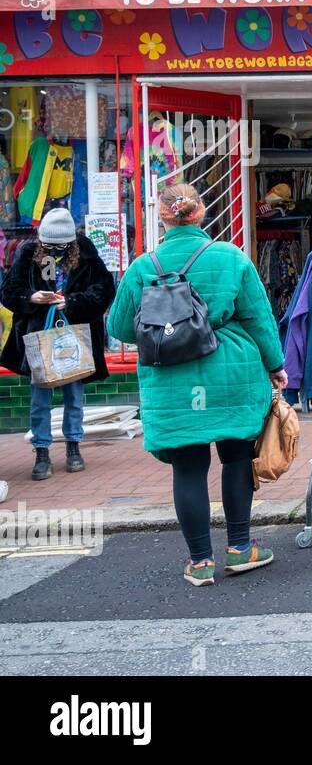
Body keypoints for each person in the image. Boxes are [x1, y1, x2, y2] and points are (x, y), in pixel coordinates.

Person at [107, 184, 287, 588]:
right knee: (237, 457)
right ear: (201, 212)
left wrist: (167, 329)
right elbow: (259, 318)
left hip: (171, 377)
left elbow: (119, 327)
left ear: (162, 215)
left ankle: (200, 561)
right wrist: (275, 366)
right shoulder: (231, 257)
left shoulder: (142, 267)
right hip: (232, 373)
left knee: (189, 469)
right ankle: (241, 549)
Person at [1, 208, 116, 481]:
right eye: (49, 245)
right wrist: (32, 297)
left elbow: (104, 290)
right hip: (40, 336)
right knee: (40, 399)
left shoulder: (85, 253)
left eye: (60, 245)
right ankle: (42, 451)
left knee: (73, 396)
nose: (54, 249)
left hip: (74, 334)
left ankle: (74, 448)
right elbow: (8, 292)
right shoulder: (28, 254)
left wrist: (73, 302)